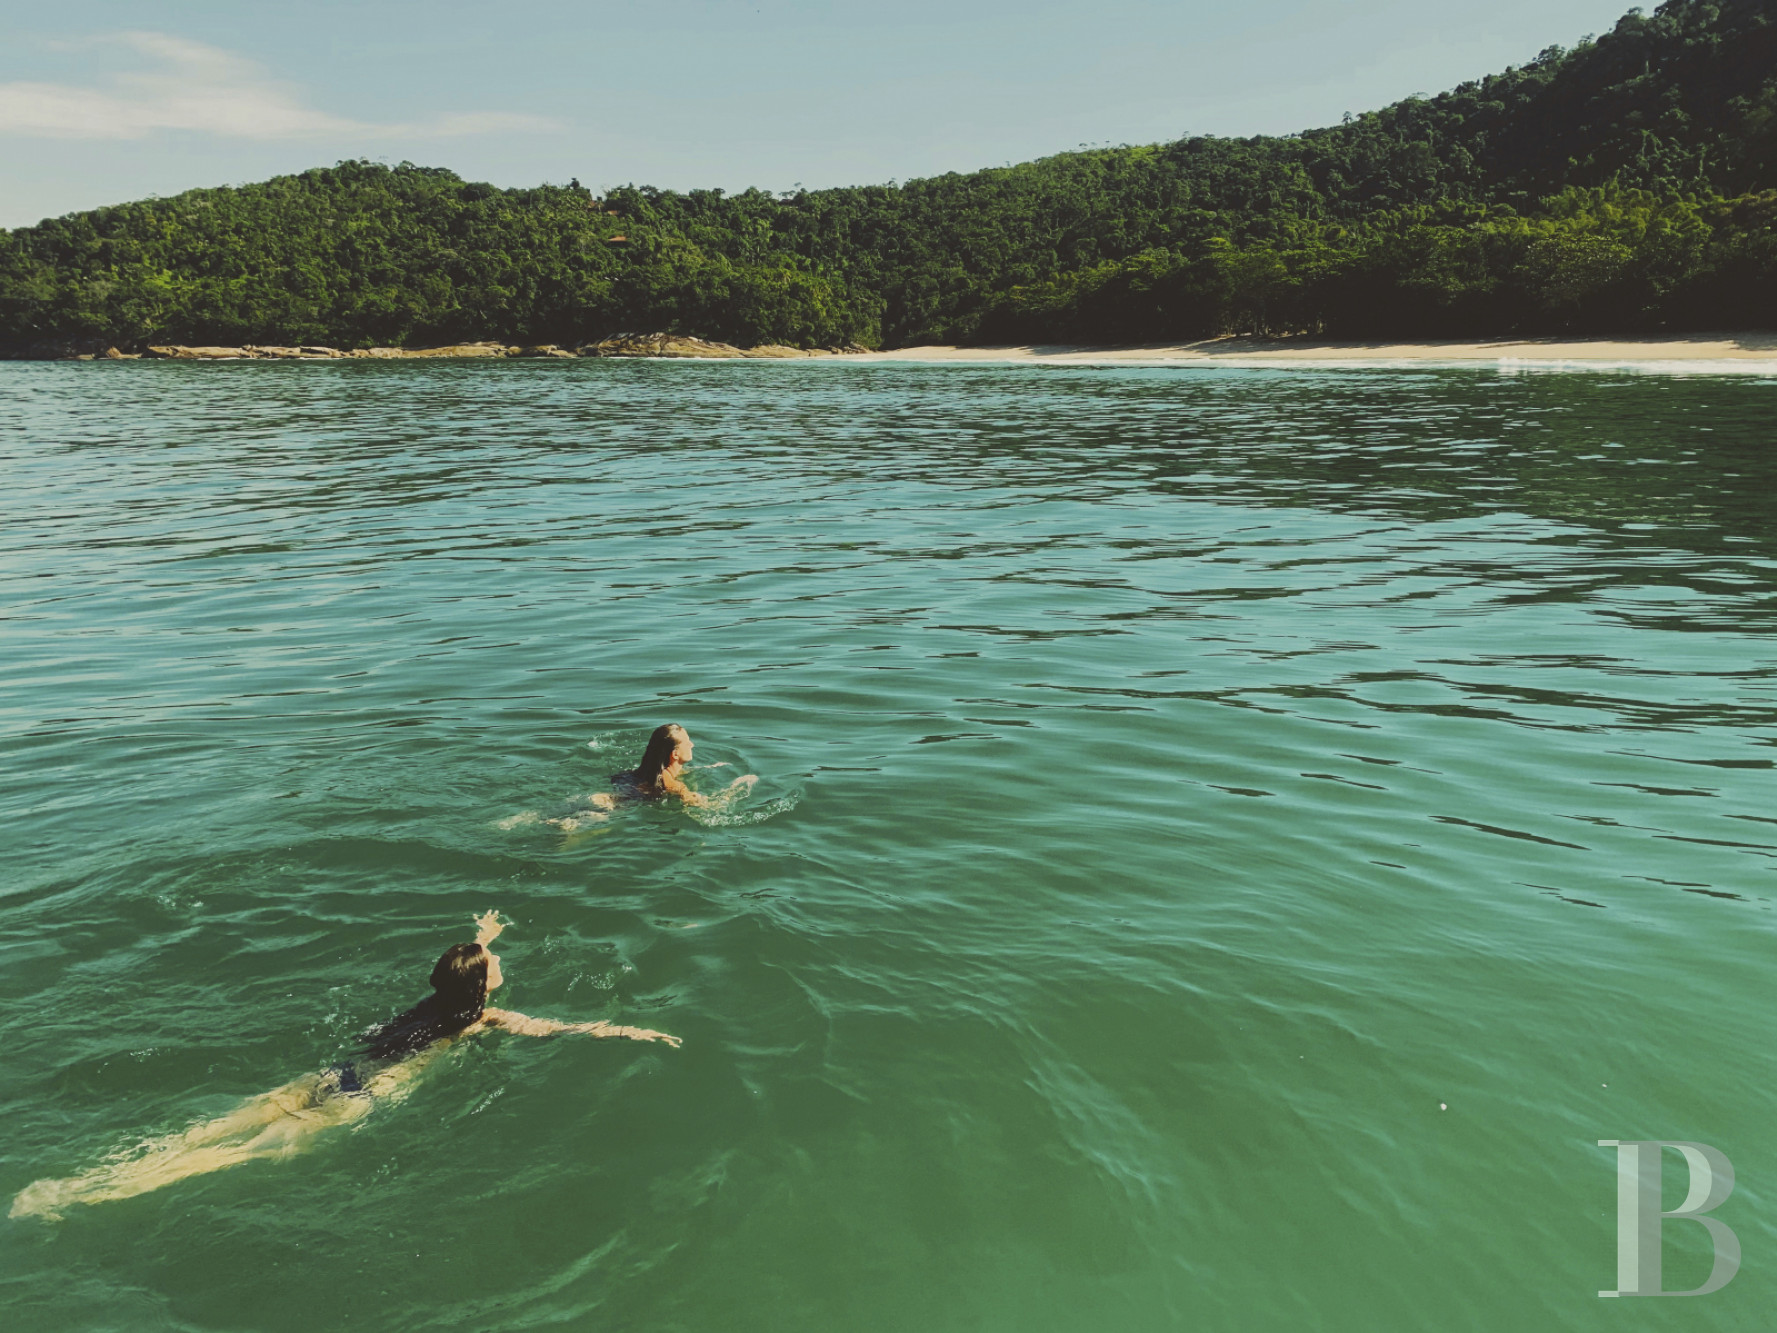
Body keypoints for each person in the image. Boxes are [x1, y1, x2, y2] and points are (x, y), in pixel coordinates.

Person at [9, 912, 678, 1220]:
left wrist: (484, 935)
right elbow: (567, 1027)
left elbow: (467, 958)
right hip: (360, 1099)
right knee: (231, 1156)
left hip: (330, 1074)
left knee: (213, 1128)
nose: (500, 967)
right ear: (481, 988)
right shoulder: (482, 1017)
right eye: (495, 966)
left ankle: (82, 1177)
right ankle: (85, 1196)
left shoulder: (435, 999)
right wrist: (631, 1029)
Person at [537, 724, 757, 831]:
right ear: (675, 755)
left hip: (600, 797)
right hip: (612, 808)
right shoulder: (675, 785)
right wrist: (739, 787)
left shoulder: (646, 769)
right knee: (570, 827)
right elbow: (707, 808)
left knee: (535, 816)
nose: (693, 744)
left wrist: (713, 766)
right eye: (688, 741)